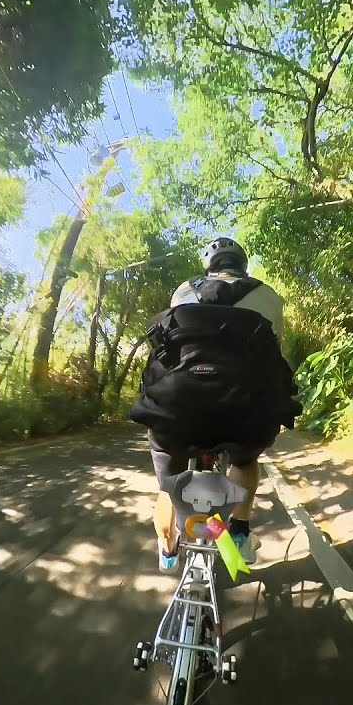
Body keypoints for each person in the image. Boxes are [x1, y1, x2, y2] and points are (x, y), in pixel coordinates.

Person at [129, 237, 300, 573]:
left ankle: (167, 551)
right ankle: (237, 533)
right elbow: (275, 351)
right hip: (245, 412)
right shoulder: (267, 295)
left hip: (179, 409)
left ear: (209, 266)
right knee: (245, 458)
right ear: (242, 264)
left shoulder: (183, 291)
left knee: (169, 484)